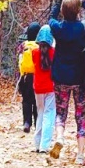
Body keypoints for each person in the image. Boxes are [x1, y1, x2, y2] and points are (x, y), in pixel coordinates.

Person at [47, 0, 85, 165]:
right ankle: (80, 155)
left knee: (61, 112)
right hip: (80, 79)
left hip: (61, 77)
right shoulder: (84, 27)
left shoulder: (57, 27)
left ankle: (60, 137)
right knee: (80, 115)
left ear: (63, 10)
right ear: (78, 11)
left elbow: (51, 17)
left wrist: (59, 2)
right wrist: (83, 1)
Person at [32, 25, 56, 153]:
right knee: (49, 114)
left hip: (38, 88)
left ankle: (37, 143)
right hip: (51, 87)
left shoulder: (34, 52)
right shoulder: (54, 52)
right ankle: (44, 145)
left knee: (40, 113)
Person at [17, 23, 40, 132]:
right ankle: (37, 123)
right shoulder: (40, 45)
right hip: (37, 76)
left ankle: (26, 122)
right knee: (37, 101)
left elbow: (19, 59)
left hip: (25, 76)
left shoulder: (23, 45)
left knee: (26, 100)